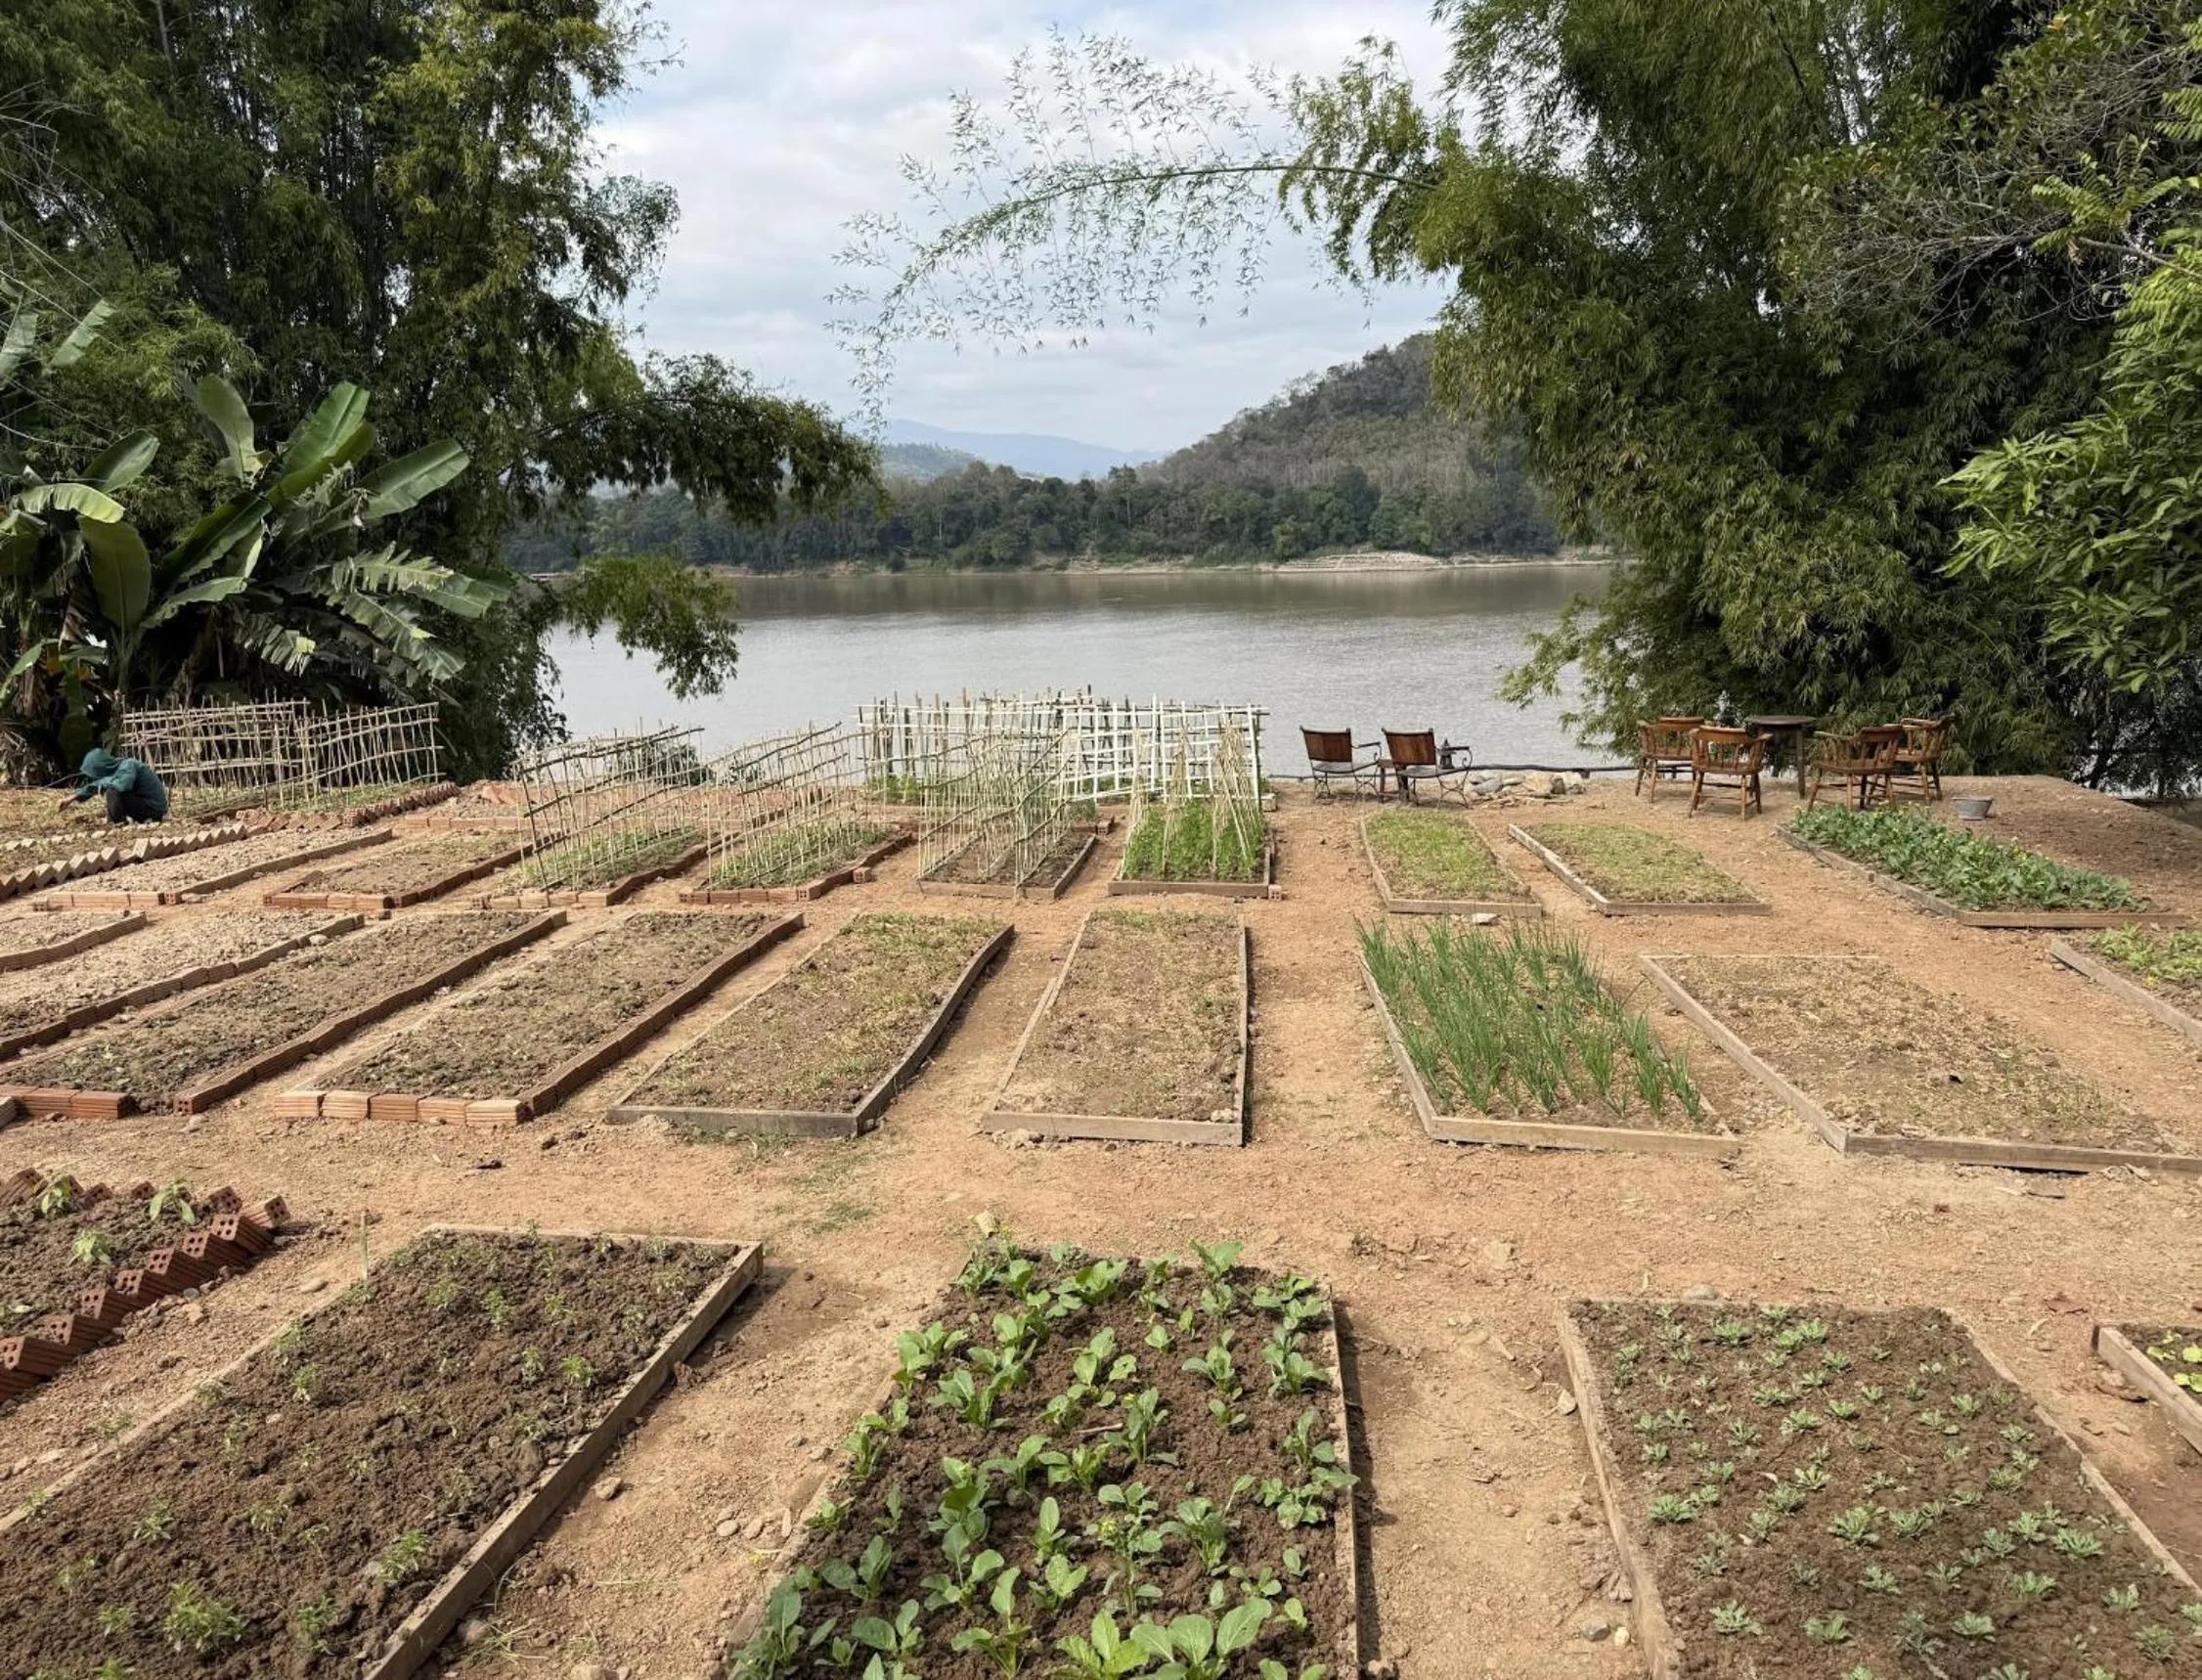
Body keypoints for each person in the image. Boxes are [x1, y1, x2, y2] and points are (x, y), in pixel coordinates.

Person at [58, 748, 170, 824]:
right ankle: (115, 820)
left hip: (154, 810)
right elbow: (96, 785)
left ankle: (118, 823)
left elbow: (123, 785)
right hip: (147, 806)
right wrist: (71, 799)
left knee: (112, 790)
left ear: (101, 767)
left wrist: (103, 784)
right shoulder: (118, 768)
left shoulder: (128, 765)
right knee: (111, 787)